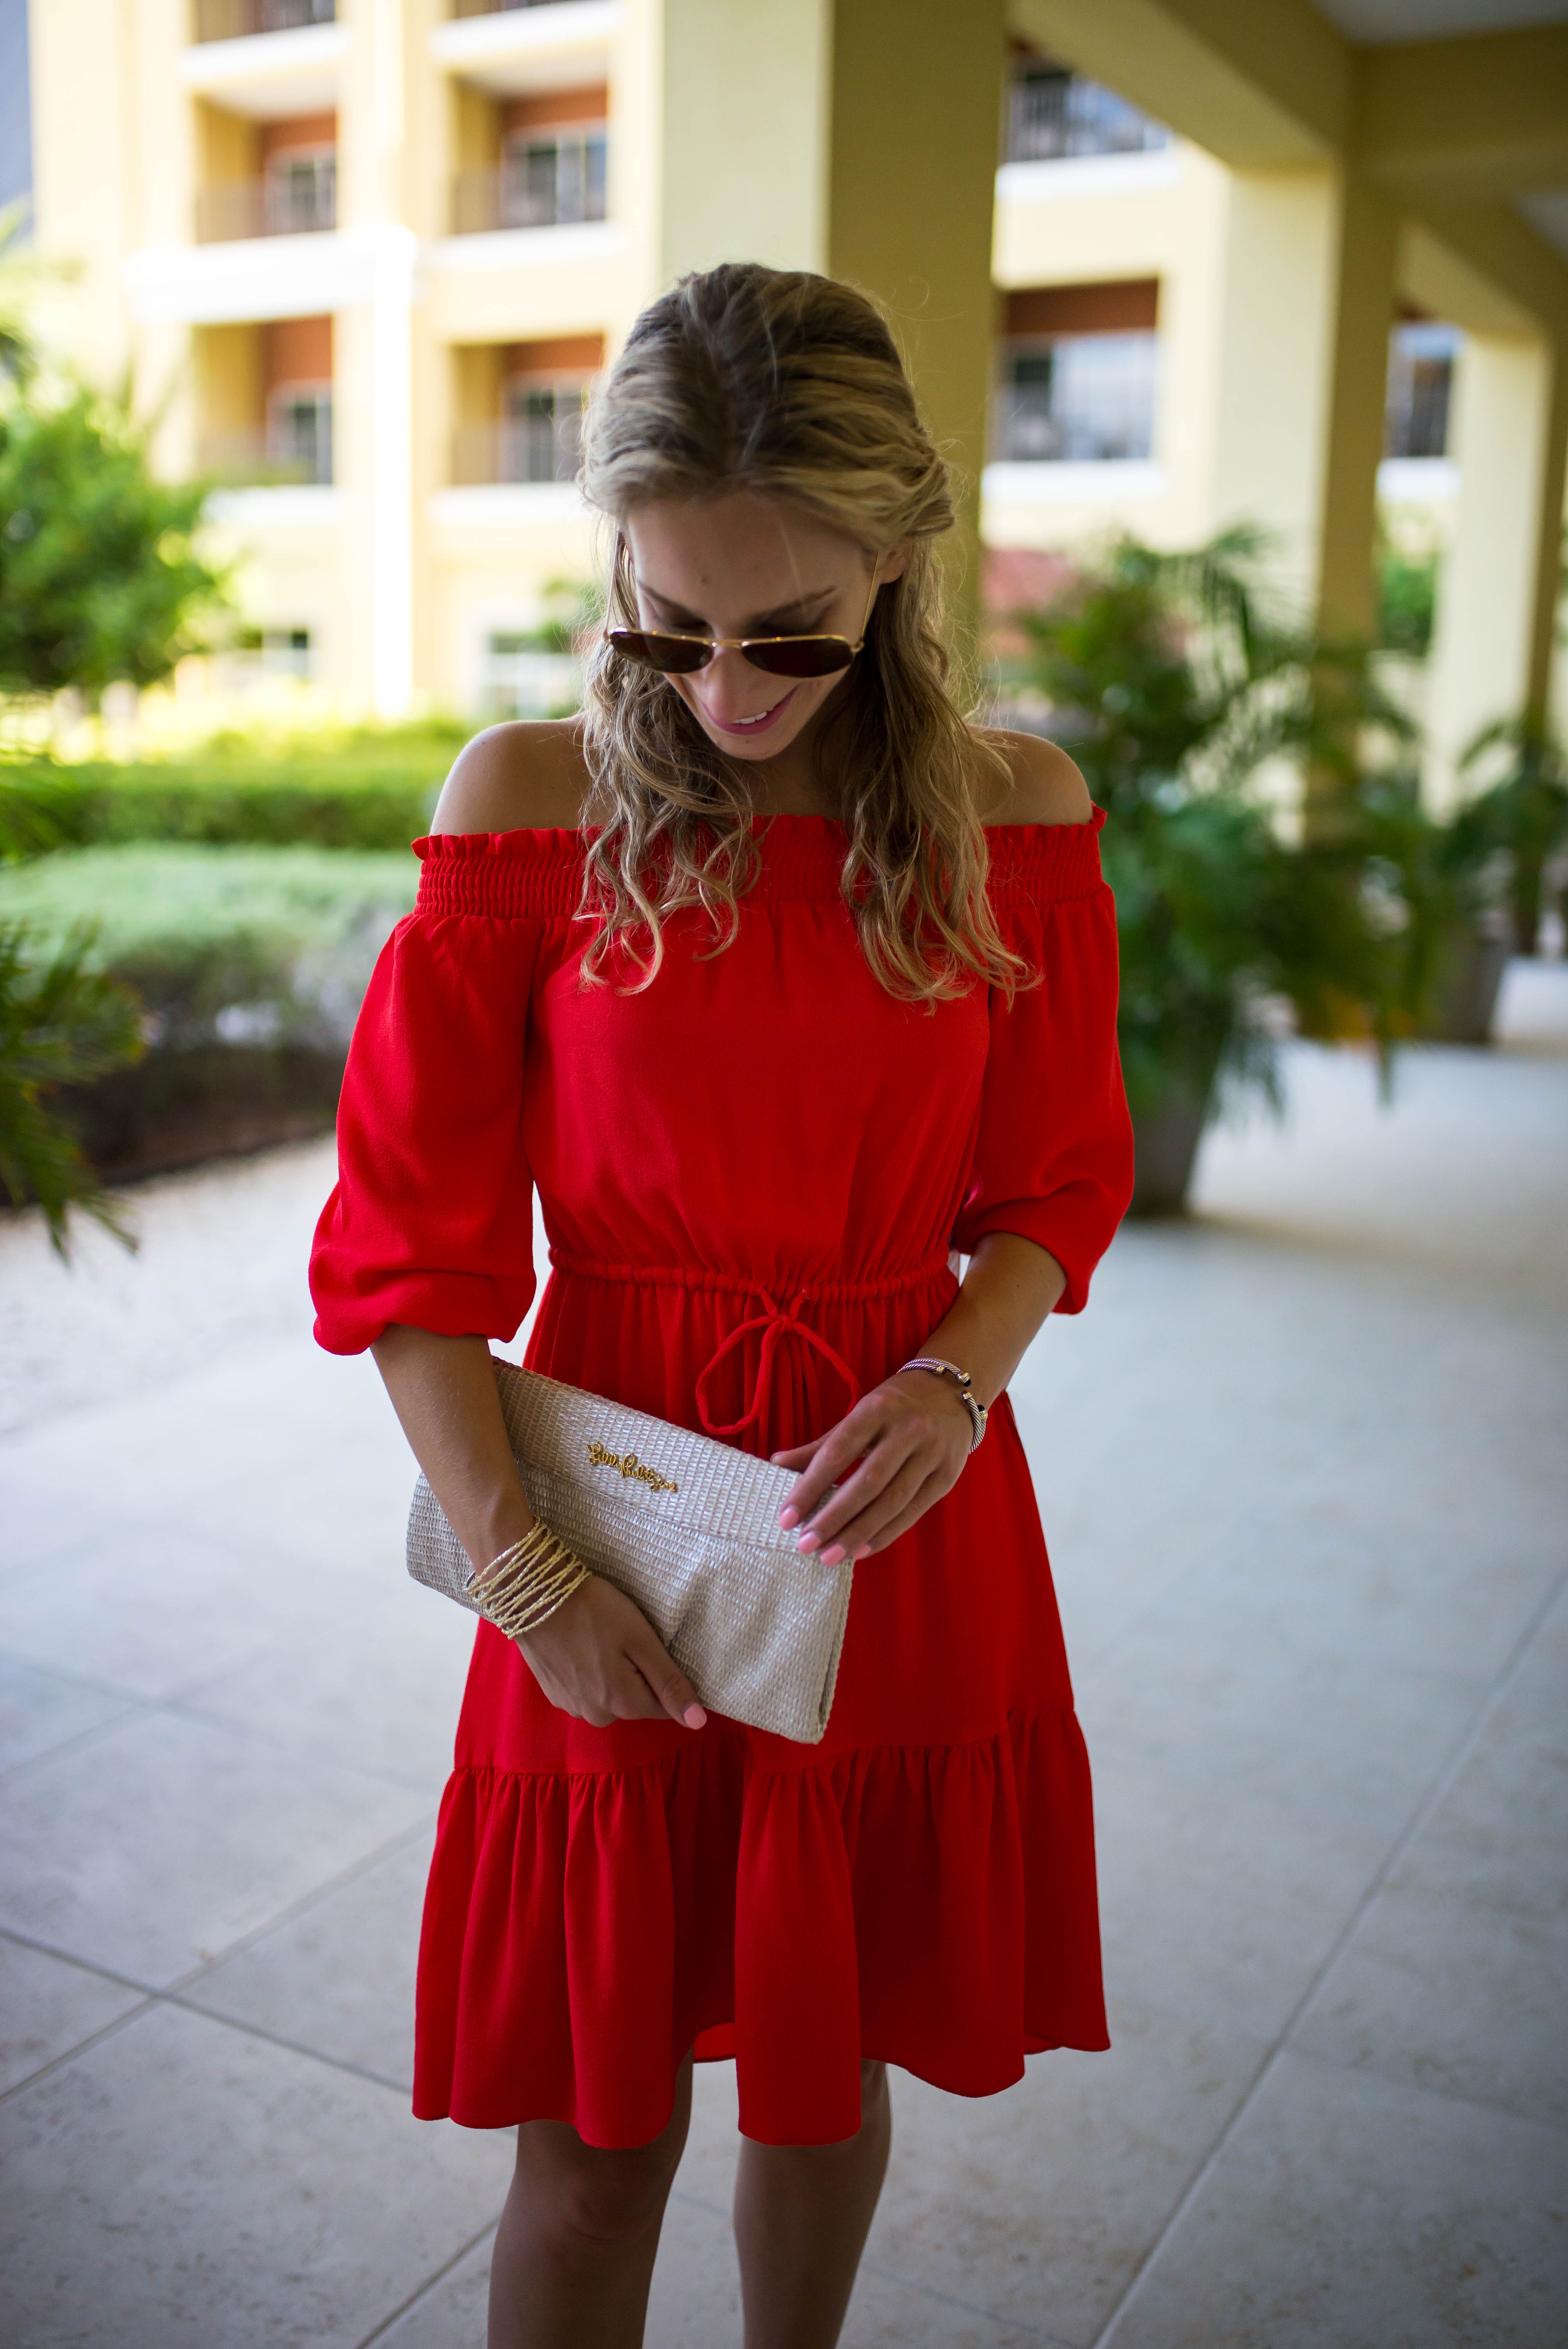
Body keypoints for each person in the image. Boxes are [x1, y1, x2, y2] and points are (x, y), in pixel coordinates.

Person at [310, 261, 1133, 2349]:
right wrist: (519, 1570)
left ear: (899, 563)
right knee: (592, 2140)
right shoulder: (526, 808)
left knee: (822, 2065)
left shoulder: (1007, 816)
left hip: (892, 1495)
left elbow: (1052, 1184)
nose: (728, 690)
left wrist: (962, 1376)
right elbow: (409, 1257)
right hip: (598, 1503)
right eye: (666, 626)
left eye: (791, 633)